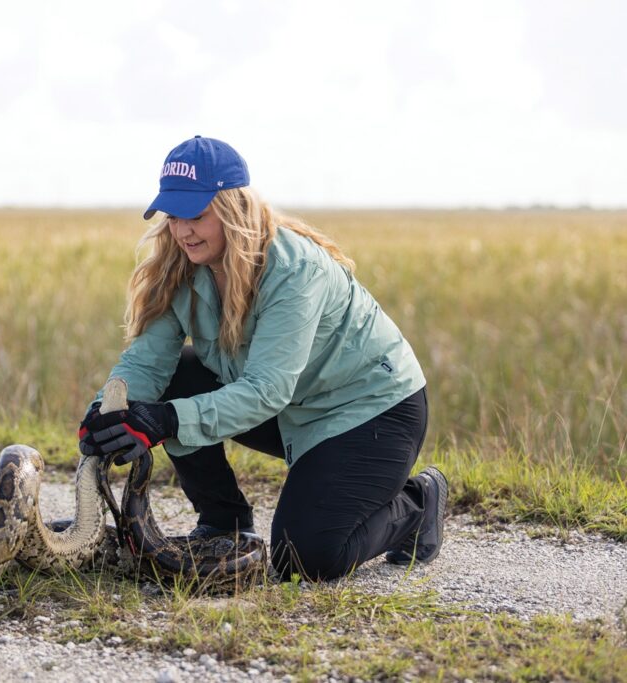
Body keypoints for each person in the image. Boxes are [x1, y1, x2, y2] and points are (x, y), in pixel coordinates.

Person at [78, 135, 447, 581]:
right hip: (292, 406)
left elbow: (267, 390)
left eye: (196, 215)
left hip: (371, 412)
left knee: (303, 559)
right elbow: (148, 363)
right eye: (173, 215)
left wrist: (166, 421)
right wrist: (106, 412)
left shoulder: (294, 270)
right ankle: (223, 525)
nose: (182, 230)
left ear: (233, 209)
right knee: (176, 377)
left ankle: (418, 503)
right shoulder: (179, 263)